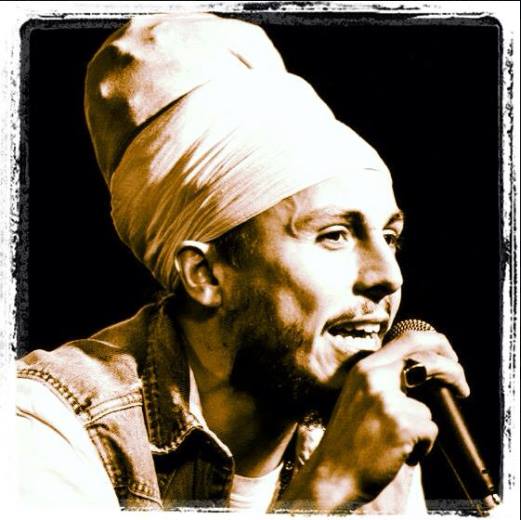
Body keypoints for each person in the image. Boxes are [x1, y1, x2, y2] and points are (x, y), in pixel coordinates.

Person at [16, 13, 469, 513]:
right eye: (335, 236)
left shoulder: (369, 434)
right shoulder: (39, 428)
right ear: (205, 275)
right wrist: (329, 489)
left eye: (389, 238)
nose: (387, 276)